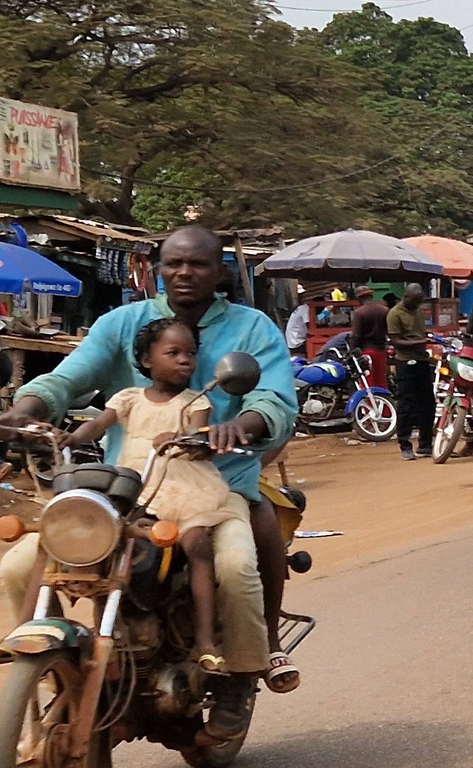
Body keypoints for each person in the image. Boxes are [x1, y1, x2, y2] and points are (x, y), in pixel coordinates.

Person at [0, 226, 302, 733]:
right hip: (126, 492)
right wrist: (25, 413)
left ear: (220, 272)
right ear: (157, 268)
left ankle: (240, 678)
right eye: (173, 264)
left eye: (198, 264)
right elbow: (67, 378)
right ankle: (44, 674)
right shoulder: (123, 323)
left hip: (217, 487)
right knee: (18, 566)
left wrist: (237, 427)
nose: (184, 272)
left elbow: (273, 400)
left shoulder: (252, 329)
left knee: (234, 566)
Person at [61, 318, 243, 673]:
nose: (184, 361)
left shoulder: (194, 401)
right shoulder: (128, 398)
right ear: (146, 360)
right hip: (136, 490)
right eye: (173, 353)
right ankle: (104, 635)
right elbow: (98, 424)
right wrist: (72, 438)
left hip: (186, 489)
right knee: (104, 551)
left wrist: (187, 440)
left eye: (190, 353)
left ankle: (206, 640)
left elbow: (199, 433)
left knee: (197, 546)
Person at [387, 284, 433, 460]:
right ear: (406, 297)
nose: (417, 305)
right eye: (415, 301)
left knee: (428, 404)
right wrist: (420, 342)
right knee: (406, 404)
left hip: (422, 360)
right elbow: (396, 341)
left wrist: (429, 339)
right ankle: (405, 445)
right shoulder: (395, 314)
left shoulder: (417, 311)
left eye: (419, 302)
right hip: (405, 362)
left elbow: (419, 333)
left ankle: (425, 444)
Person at [350, 285, 390, 390]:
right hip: (381, 350)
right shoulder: (384, 310)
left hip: (366, 351)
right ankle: (384, 404)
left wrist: (352, 351)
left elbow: (356, 335)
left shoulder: (359, 313)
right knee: (381, 380)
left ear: (358, 299)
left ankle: (369, 404)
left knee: (368, 382)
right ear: (371, 296)